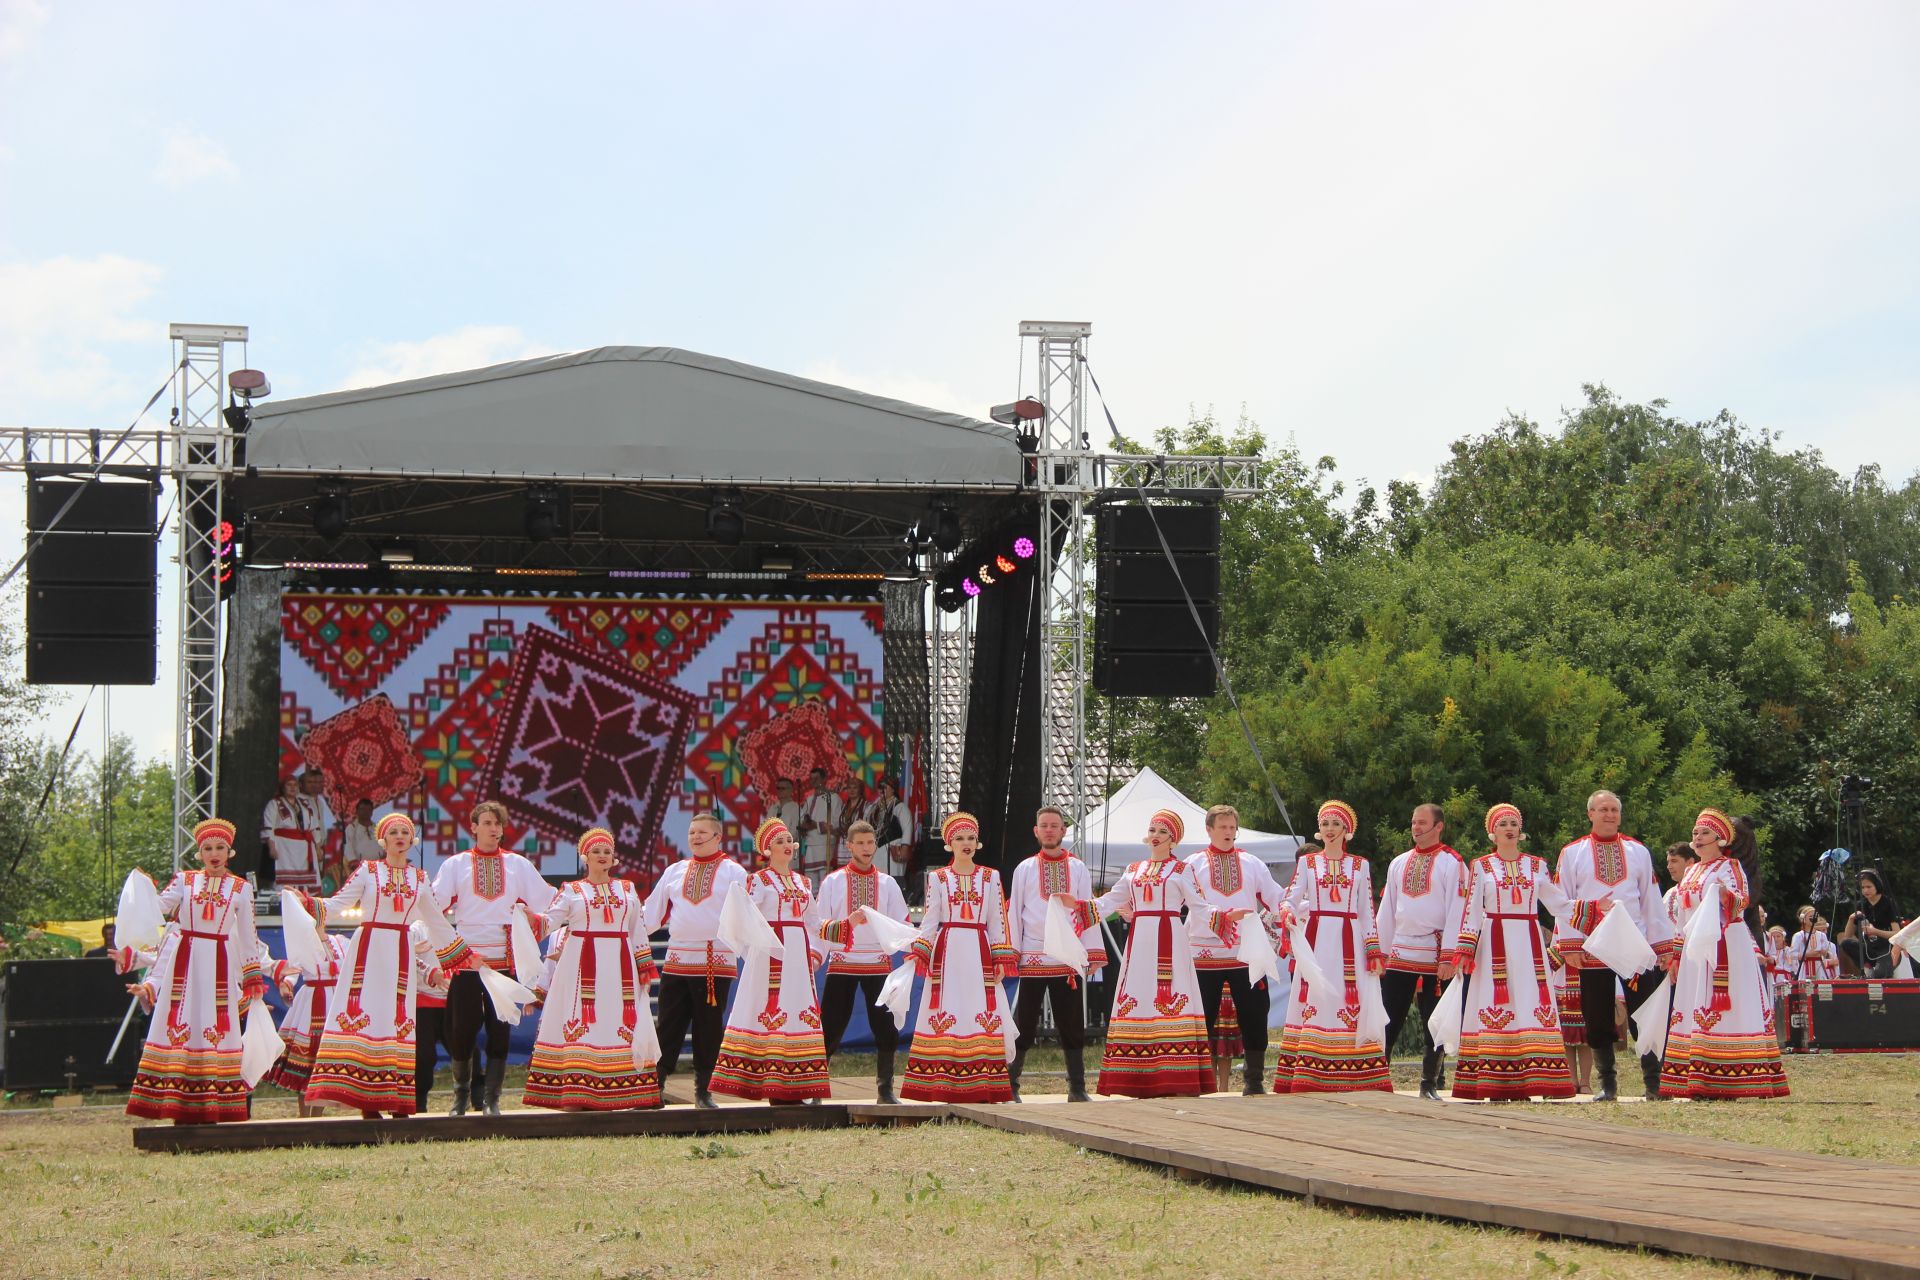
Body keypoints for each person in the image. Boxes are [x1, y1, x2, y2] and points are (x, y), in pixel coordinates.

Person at [305, 813, 474, 1119]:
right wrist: (307, 904)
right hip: (369, 949)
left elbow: (437, 922)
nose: (399, 836)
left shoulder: (419, 878)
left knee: (397, 1022)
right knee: (368, 1017)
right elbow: (337, 904)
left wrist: (462, 956)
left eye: (405, 832)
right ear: (382, 841)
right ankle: (368, 1102)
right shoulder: (368, 871)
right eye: (393, 832)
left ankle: (396, 1099)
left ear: (412, 841)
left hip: (401, 950)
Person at [124, 819, 268, 1124]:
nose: (214, 854)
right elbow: (160, 907)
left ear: (230, 852)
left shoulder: (241, 889)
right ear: (199, 853)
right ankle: (178, 1105)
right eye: (207, 848)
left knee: (215, 1027)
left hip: (219, 962)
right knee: (184, 1023)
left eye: (220, 848)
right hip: (185, 963)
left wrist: (253, 975)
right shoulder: (184, 881)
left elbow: (247, 936)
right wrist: (144, 887)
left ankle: (215, 1105)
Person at [523, 828, 663, 1111]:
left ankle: (627, 1092)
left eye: (607, 852)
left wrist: (645, 965)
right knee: (583, 1023)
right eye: (596, 851)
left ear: (614, 858)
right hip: (580, 965)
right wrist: (530, 918)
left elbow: (637, 931)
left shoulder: (627, 889)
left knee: (618, 1021)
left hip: (620, 966)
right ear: (584, 856)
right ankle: (577, 1092)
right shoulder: (572, 890)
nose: (602, 856)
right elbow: (550, 922)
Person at [431, 799, 556, 1116]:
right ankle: (461, 1096)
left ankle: (492, 1100)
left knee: (500, 1027)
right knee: (461, 1030)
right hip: (467, 960)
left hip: (504, 961)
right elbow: (433, 904)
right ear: (473, 827)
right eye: (487, 822)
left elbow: (550, 901)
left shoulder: (518, 865)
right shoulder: (456, 865)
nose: (493, 828)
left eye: (498, 824)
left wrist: (540, 919)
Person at [1552, 791, 1675, 1101]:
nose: (1609, 815)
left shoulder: (1638, 851)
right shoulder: (1572, 852)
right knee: (1596, 1014)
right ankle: (1608, 1084)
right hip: (1592, 946)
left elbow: (1650, 899)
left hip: (1633, 944)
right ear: (1590, 813)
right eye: (1603, 809)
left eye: (1614, 810)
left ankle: (1653, 1082)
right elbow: (1562, 901)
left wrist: (1662, 945)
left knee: (1643, 1012)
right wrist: (1569, 945)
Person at [1081, 809, 1213, 1098]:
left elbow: (1201, 907)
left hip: (1170, 939)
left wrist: (1228, 919)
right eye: (1152, 830)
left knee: (1171, 993)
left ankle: (1176, 1077)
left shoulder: (1182, 870)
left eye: (1162, 832)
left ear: (1173, 840)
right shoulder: (1134, 869)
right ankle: (1134, 1078)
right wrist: (1078, 908)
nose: (1155, 836)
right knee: (1138, 994)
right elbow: (1111, 900)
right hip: (1140, 942)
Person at [1451, 804, 1579, 1101]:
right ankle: (1497, 1080)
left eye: (1513, 823)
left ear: (1520, 832)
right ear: (1492, 833)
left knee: (1530, 1001)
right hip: (1494, 941)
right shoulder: (1481, 866)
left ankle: (1538, 1080)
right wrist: (1465, 947)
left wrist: (1594, 910)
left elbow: (1558, 904)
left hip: (1529, 940)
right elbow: (1471, 910)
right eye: (1502, 824)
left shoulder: (1536, 866)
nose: (1509, 828)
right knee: (1498, 1003)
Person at [1659, 809, 1790, 1099]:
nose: (1697, 836)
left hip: (1725, 947)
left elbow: (1742, 901)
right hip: (1695, 950)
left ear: (1720, 839)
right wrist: (1676, 955)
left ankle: (1732, 1077)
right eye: (1695, 832)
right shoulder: (1691, 871)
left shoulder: (1729, 866)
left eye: (1704, 832)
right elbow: (1682, 916)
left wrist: (1723, 895)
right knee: (1695, 1004)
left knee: (1727, 1009)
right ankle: (1697, 1078)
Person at [1272, 801, 1391, 1094]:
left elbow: (1366, 910)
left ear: (1346, 830)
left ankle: (1354, 1072)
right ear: (1319, 830)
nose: (1329, 830)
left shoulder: (1360, 865)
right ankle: (1310, 1073)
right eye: (1325, 824)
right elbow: (1290, 896)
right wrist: (1286, 911)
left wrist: (1373, 949)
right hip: (1318, 938)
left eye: (1335, 824)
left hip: (1350, 939)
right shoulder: (1308, 863)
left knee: (1349, 998)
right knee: (1316, 994)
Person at [710, 818, 832, 1103]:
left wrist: (838, 931)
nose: (787, 845)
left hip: (797, 958)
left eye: (789, 840)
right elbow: (741, 917)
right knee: (771, 1010)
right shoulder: (758, 881)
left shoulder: (803, 882)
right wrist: (759, 945)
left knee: (796, 1010)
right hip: (769, 956)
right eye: (780, 842)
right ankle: (770, 1083)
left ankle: (796, 1084)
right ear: (767, 851)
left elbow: (813, 923)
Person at [900, 813, 1017, 1102]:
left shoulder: (991, 877)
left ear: (977, 843)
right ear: (949, 844)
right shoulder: (938, 878)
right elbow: (930, 919)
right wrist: (919, 951)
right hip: (948, 950)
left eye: (971, 838)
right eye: (959, 838)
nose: (966, 843)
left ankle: (981, 1085)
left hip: (979, 951)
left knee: (978, 1008)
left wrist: (1001, 959)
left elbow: (998, 920)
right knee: (948, 1008)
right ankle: (941, 1083)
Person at [643, 811, 750, 1109]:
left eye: (703, 832)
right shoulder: (675, 870)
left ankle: (704, 1091)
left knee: (708, 1027)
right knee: (668, 1025)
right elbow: (652, 912)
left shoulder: (734, 872)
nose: (696, 837)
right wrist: (625, 931)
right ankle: (656, 1086)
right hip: (677, 959)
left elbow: (747, 916)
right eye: (692, 833)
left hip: (715, 961)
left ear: (718, 837)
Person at [1005, 805, 1108, 1102]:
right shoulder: (1024, 868)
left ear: (1064, 831)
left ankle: (1077, 1087)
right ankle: (1012, 1085)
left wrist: (1091, 952)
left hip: (1066, 955)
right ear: (1036, 832)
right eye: (1044, 825)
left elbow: (1087, 909)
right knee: (1024, 1022)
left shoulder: (1078, 868)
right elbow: (1014, 913)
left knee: (1072, 1022)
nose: (1049, 830)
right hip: (1034, 955)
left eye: (1055, 825)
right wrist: (1012, 952)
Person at [1185, 803, 1284, 1094]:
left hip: (1246, 951)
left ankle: (1254, 1081)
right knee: (1199, 1017)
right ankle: (1198, 1080)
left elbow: (1275, 896)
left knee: (1255, 1013)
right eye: (1223, 827)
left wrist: (1295, 910)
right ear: (1209, 829)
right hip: (1204, 953)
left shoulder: (1253, 863)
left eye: (1232, 827)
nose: (1229, 832)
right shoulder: (1193, 864)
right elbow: (1179, 900)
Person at [1375, 803, 1468, 1100]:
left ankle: (1429, 1083)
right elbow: (1387, 909)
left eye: (1422, 823)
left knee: (1434, 1019)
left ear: (1438, 826)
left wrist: (1450, 956)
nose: (1416, 827)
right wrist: (1380, 951)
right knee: (1388, 1016)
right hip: (1400, 949)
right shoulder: (1399, 862)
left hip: (1435, 952)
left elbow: (1458, 910)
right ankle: (1378, 1078)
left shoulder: (1453, 863)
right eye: (1413, 822)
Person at [814, 819, 911, 1103]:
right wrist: (819, 953)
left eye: (870, 843)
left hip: (878, 962)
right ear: (849, 846)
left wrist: (914, 950)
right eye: (861, 843)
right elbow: (819, 923)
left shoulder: (888, 883)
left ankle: (885, 1090)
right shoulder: (833, 881)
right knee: (830, 1025)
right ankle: (816, 1089)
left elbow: (902, 921)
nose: (867, 848)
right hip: (843, 960)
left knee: (886, 1027)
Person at [268, 911, 352, 1117]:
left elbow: (357, 963)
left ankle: (317, 1117)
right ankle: (304, 1118)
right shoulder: (303, 943)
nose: (317, 920)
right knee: (307, 1061)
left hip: (336, 1002)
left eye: (320, 915)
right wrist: (286, 984)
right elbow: (293, 969)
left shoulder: (341, 941)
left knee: (326, 1061)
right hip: (312, 1001)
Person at [261, 775, 322, 893]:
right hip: (284, 848)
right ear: (283, 787)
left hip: (305, 848)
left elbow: (315, 826)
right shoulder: (274, 804)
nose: (292, 788)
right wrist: (272, 847)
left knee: (305, 882)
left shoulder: (305, 804)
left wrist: (318, 847)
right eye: (289, 785)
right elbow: (269, 827)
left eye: (295, 785)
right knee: (285, 880)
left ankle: (305, 902)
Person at [1839, 870, 1898, 978]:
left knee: (1880, 974)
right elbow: (1847, 936)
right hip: (1868, 947)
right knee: (1846, 943)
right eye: (1862, 887)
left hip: (1886, 948)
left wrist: (1875, 931)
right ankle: (1867, 966)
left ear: (1877, 885)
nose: (1865, 890)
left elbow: (1897, 933)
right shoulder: (1862, 905)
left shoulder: (1888, 903)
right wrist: (1851, 919)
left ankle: (1876, 968)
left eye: (1869, 887)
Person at [798, 767, 846, 888]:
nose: (814, 781)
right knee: (810, 883)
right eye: (811, 779)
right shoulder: (809, 799)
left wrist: (816, 825)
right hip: (810, 845)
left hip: (825, 844)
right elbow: (802, 820)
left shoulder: (834, 798)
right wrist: (803, 827)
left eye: (817, 778)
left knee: (826, 882)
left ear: (824, 779)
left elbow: (836, 823)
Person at [1663, 842, 1698, 926]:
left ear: (1690, 862)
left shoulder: (1701, 891)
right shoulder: (1669, 894)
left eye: (1674, 861)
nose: (1669, 866)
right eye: (1668, 862)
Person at [343, 799, 382, 863]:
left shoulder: (378, 828)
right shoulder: (351, 828)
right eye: (363, 809)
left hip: (379, 865)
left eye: (368, 809)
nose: (366, 812)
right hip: (361, 866)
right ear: (357, 811)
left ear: (372, 811)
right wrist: (353, 861)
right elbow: (348, 847)